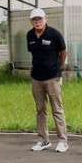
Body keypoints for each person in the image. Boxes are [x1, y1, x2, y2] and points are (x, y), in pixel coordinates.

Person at [26, 8, 68, 153]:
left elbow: (63, 52)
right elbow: (34, 55)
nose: (37, 22)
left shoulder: (54, 34)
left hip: (52, 77)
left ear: (45, 19)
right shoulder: (30, 35)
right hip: (37, 78)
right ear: (31, 21)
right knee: (40, 110)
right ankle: (43, 140)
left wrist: (60, 69)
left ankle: (63, 141)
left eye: (40, 19)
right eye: (34, 20)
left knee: (57, 109)